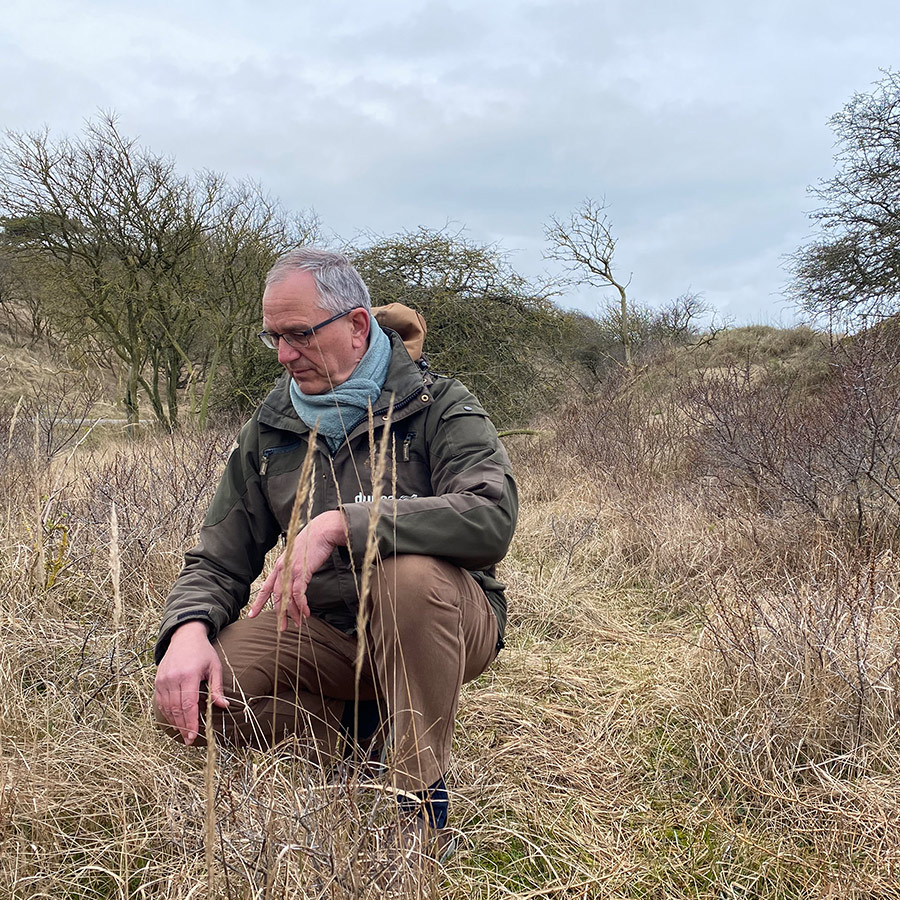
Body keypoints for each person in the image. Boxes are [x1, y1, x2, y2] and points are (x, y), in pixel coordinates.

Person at [153, 247, 517, 850]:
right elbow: (220, 556)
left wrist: (341, 525)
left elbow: (490, 516)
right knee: (196, 700)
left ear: (356, 325)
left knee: (408, 576)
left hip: (441, 623)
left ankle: (418, 806)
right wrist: (188, 628)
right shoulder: (271, 427)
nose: (284, 355)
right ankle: (363, 736)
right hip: (325, 632)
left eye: (299, 334)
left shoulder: (440, 405)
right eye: (273, 337)